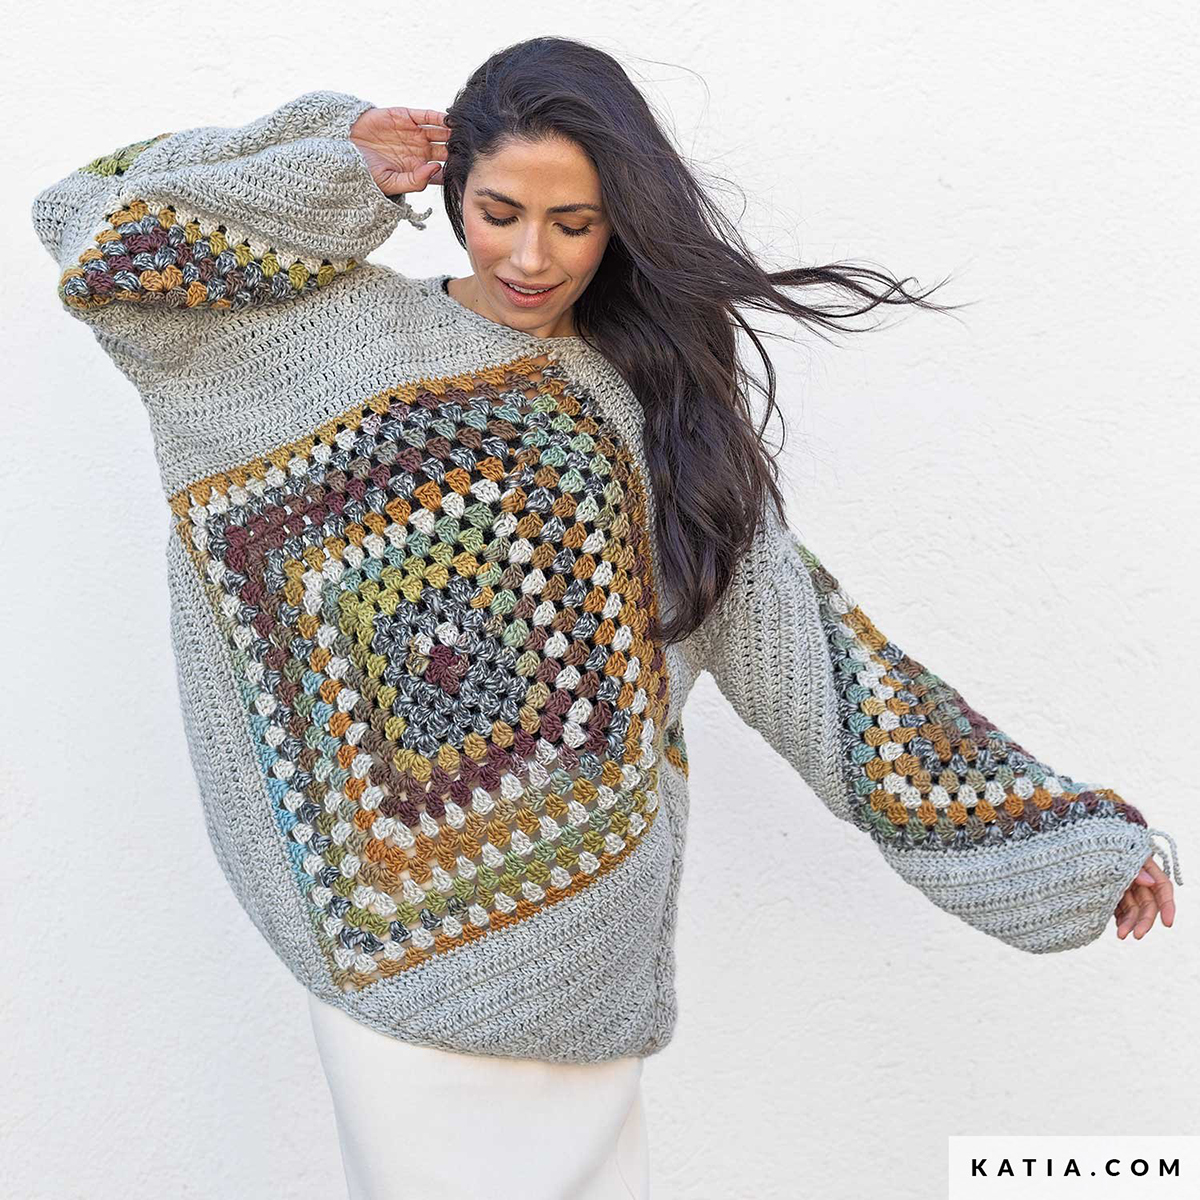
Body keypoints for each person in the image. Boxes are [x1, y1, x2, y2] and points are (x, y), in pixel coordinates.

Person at [32, 34, 1181, 1200]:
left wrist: (1062, 835)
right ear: (449, 189)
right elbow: (91, 231)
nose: (531, 256)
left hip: (583, 958)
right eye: (498, 213)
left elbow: (830, 676)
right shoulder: (313, 344)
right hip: (388, 962)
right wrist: (333, 157)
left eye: (573, 224)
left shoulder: (660, 422)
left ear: (619, 221)